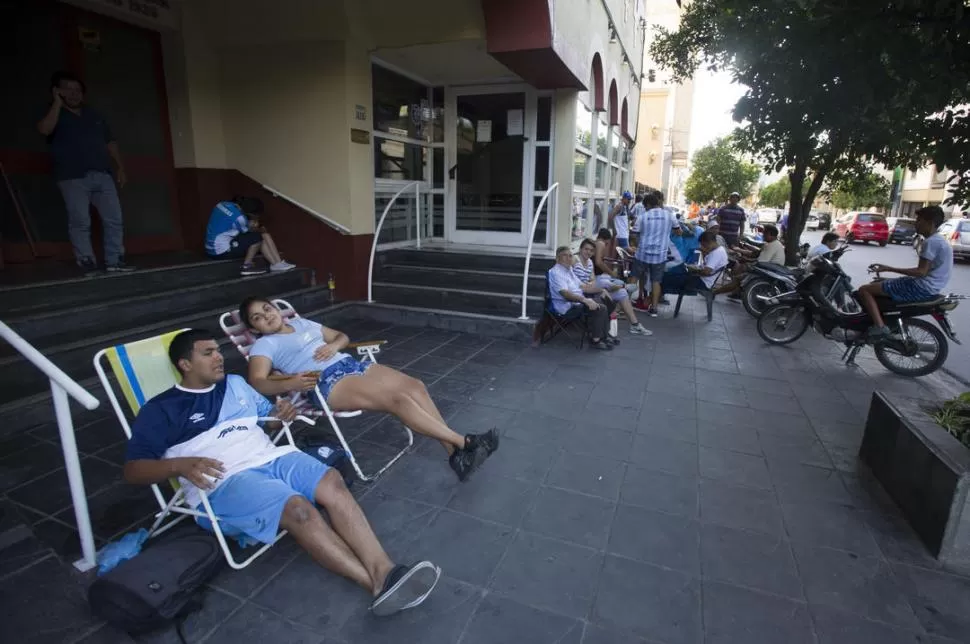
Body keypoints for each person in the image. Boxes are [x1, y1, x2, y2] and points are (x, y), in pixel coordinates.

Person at [123, 329, 440, 617]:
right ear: (185, 364)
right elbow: (133, 471)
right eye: (207, 353)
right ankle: (374, 584)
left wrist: (280, 415)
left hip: (270, 455)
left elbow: (268, 422)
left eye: (218, 350)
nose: (219, 356)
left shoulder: (235, 384)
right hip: (225, 479)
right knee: (299, 511)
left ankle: (386, 571)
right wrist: (179, 465)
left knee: (332, 481)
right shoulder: (160, 409)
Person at [239, 298, 499, 480]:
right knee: (397, 400)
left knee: (415, 386)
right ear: (253, 328)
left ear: (276, 308)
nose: (267, 316)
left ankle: (456, 455)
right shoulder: (265, 345)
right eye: (257, 317)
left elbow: (341, 336)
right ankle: (464, 442)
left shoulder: (304, 323)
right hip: (326, 382)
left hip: (351, 365)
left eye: (267, 308)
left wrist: (334, 346)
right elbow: (257, 381)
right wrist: (291, 383)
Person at [37, 71, 133, 276]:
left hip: (102, 174)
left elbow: (110, 142)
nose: (74, 94)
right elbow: (44, 130)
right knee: (80, 221)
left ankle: (115, 260)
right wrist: (56, 103)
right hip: (72, 176)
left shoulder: (94, 115)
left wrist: (120, 167)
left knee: (114, 219)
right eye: (68, 89)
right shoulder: (53, 113)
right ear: (58, 91)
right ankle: (86, 261)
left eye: (77, 90)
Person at [857, 206, 953, 341]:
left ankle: (880, 327)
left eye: (919, 220)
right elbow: (926, 270)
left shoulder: (930, 242)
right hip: (930, 286)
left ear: (930, 223)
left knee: (864, 290)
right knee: (879, 283)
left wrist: (888, 268)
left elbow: (921, 272)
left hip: (921, 287)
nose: (916, 223)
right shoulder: (940, 241)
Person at [205, 197, 295, 276]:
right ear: (251, 214)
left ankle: (277, 263)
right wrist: (256, 226)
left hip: (210, 248)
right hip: (220, 252)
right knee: (258, 237)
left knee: (260, 234)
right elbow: (249, 232)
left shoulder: (222, 204)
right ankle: (247, 266)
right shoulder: (240, 218)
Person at [584, 234, 653, 336]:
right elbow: (576, 283)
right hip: (585, 292)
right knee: (608, 283)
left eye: (591, 251)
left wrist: (596, 283)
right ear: (581, 249)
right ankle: (624, 287)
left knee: (620, 292)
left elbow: (593, 279)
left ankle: (635, 324)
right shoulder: (575, 261)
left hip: (594, 288)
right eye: (586, 249)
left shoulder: (589, 262)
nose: (589, 252)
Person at [548, 245, 615, 350]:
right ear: (557, 258)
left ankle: (604, 334)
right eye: (565, 255)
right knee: (601, 308)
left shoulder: (569, 269)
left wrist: (601, 290)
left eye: (570, 255)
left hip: (578, 301)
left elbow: (583, 286)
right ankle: (595, 340)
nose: (569, 258)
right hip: (567, 306)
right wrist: (585, 300)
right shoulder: (556, 273)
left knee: (608, 301)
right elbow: (565, 294)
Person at [633, 192, 680, 317]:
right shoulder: (670, 215)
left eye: (645, 206)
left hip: (642, 253)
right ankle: (654, 309)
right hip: (660, 255)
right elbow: (678, 231)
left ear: (648, 204)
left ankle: (623, 304)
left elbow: (634, 234)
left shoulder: (643, 216)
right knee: (656, 281)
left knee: (634, 277)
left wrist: (638, 244)